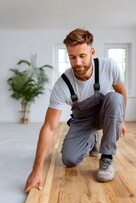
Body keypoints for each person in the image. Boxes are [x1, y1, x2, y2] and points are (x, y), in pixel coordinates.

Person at [24, 28, 127, 193]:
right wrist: (37, 169)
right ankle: (93, 138)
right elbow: (49, 127)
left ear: (92, 52)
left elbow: (121, 92)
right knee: (69, 159)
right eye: (72, 57)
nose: (77, 62)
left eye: (82, 56)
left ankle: (107, 157)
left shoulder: (108, 66)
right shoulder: (62, 85)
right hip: (83, 121)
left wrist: (122, 120)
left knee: (114, 98)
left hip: (105, 114)